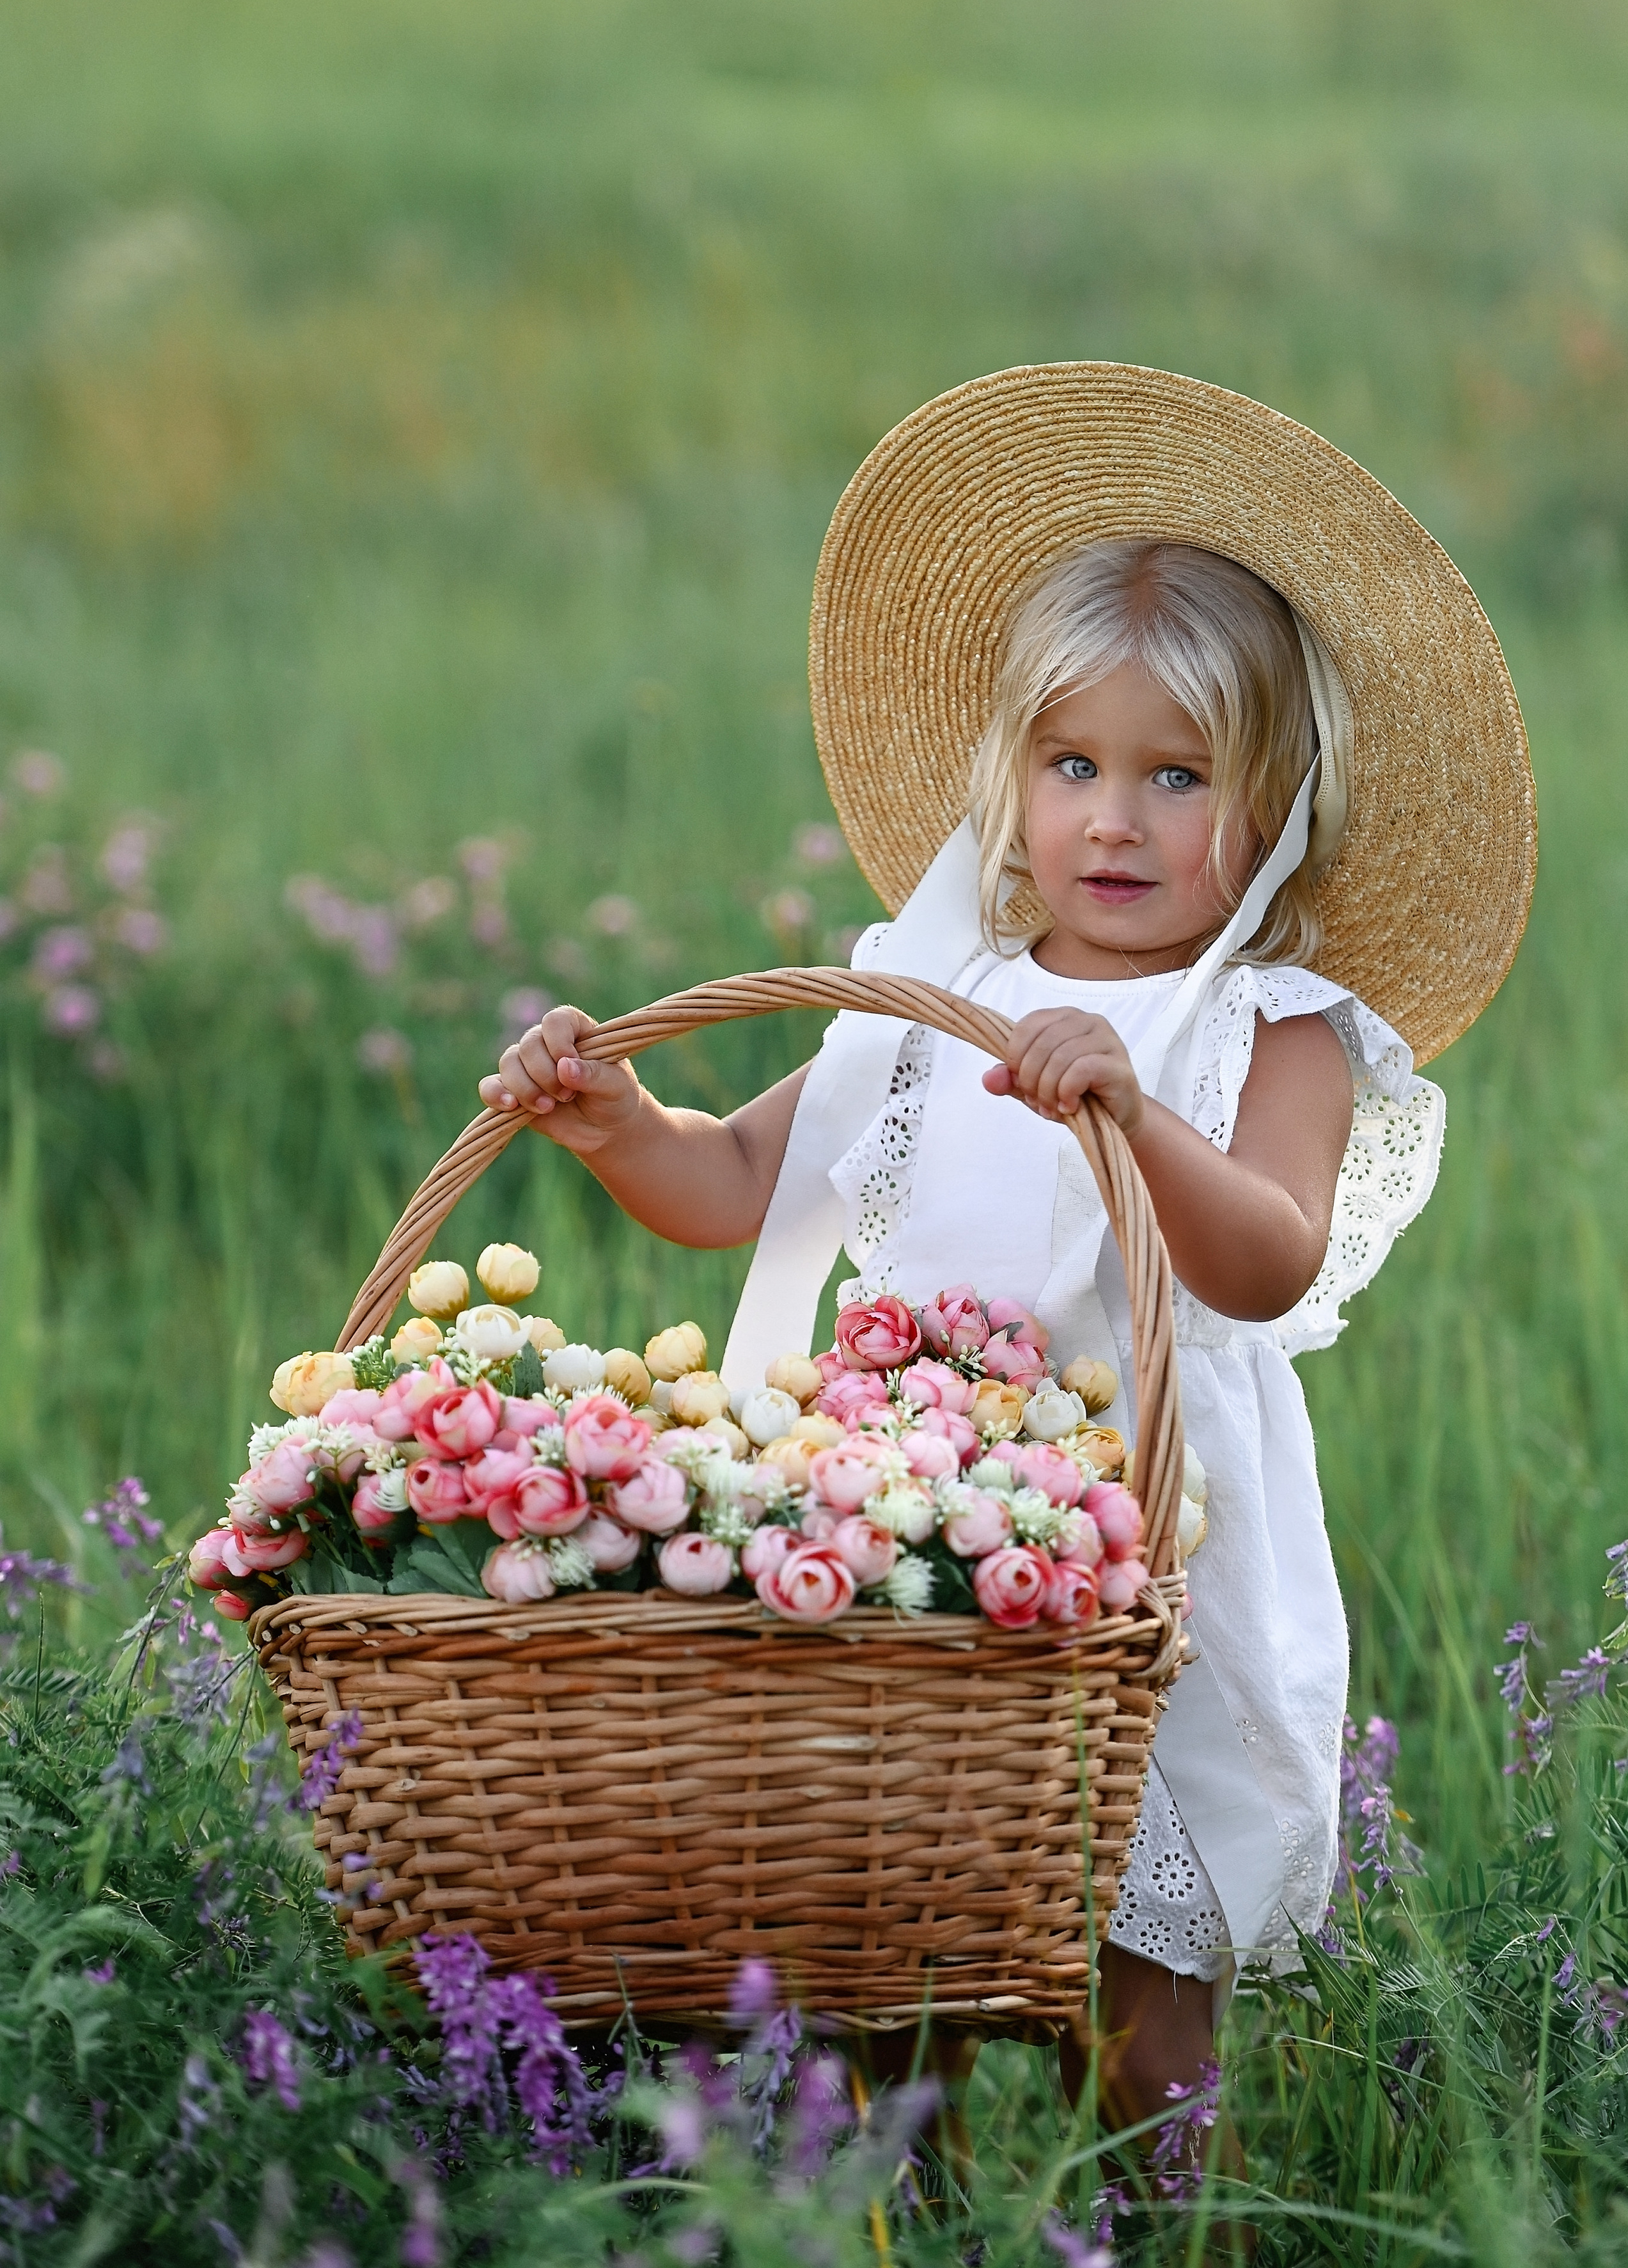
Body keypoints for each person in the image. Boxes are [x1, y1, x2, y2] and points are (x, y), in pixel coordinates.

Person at [478, 363, 1535, 2155]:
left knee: (1140, 1991)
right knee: (901, 1956)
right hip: (905, 1529)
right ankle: (919, 2257)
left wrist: (1135, 1117)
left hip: (1152, 1535)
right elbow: (742, 1179)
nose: (1114, 821)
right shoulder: (933, 993)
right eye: (1074, 766)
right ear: (1012, 779)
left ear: (1273, 801)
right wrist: (614, 1125)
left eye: (1177, 776)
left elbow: (1269, 1260)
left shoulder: (1278, 1028)